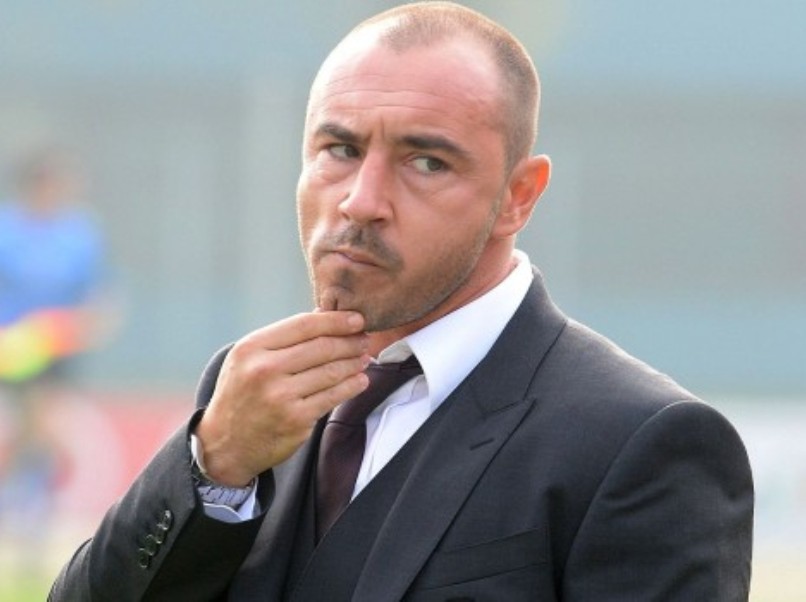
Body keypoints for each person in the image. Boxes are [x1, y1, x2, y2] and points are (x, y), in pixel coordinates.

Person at [50, 2, 753, 600]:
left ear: (519, 196)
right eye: (339, 149)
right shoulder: (248, 392)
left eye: (426, 161)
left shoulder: (642, 444)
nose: (361, 201)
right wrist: (212, 466)